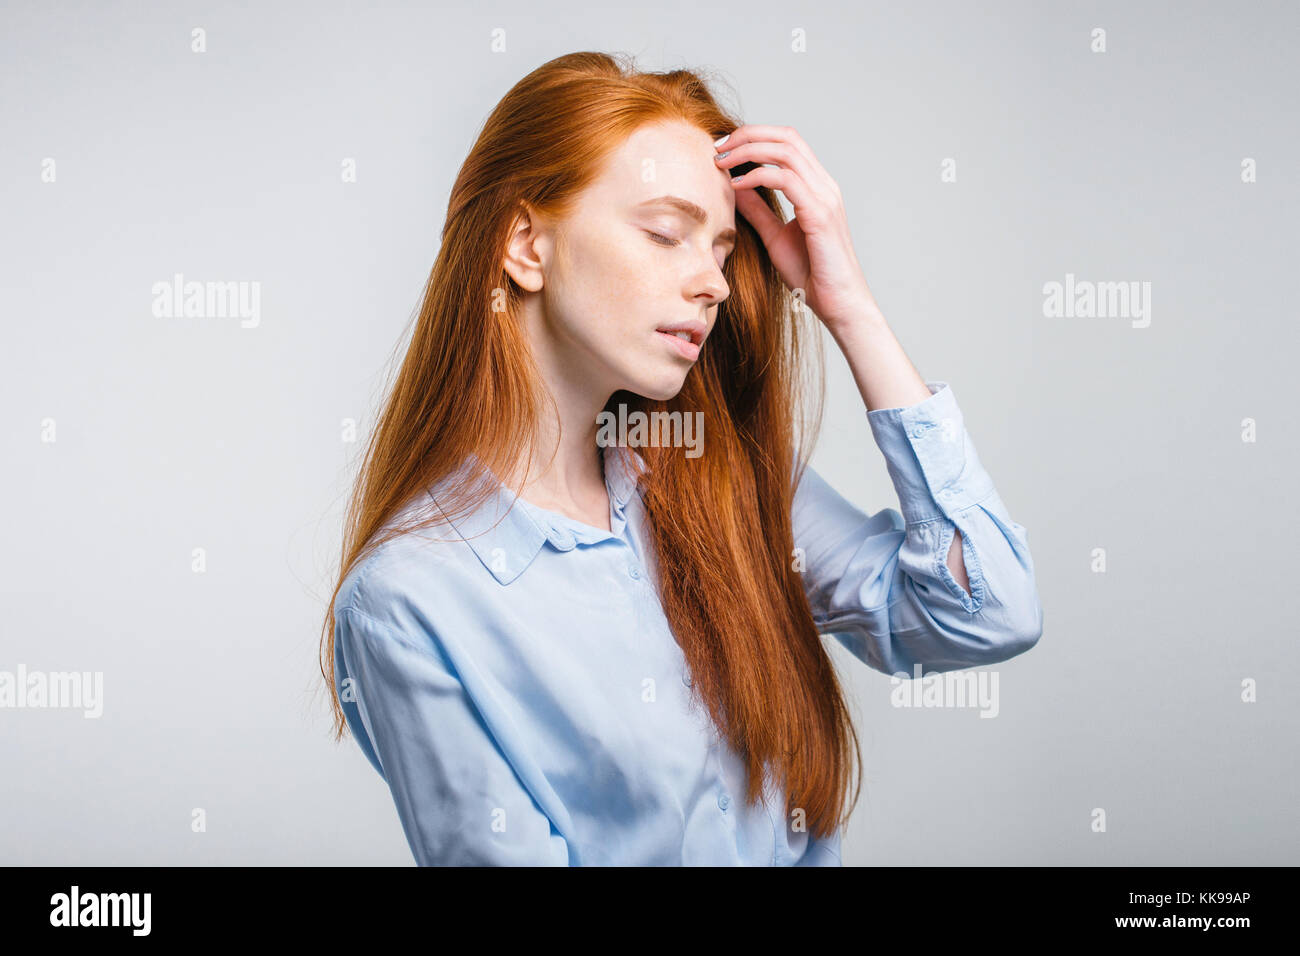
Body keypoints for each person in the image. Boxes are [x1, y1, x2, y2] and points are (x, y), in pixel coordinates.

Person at [319, 51, 1044, 866]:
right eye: (666, 233)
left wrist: (847, 304)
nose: (715, 284)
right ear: (526, 245)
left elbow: (988, 612)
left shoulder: (715, 478)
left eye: (724, 249)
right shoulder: (409, 602)